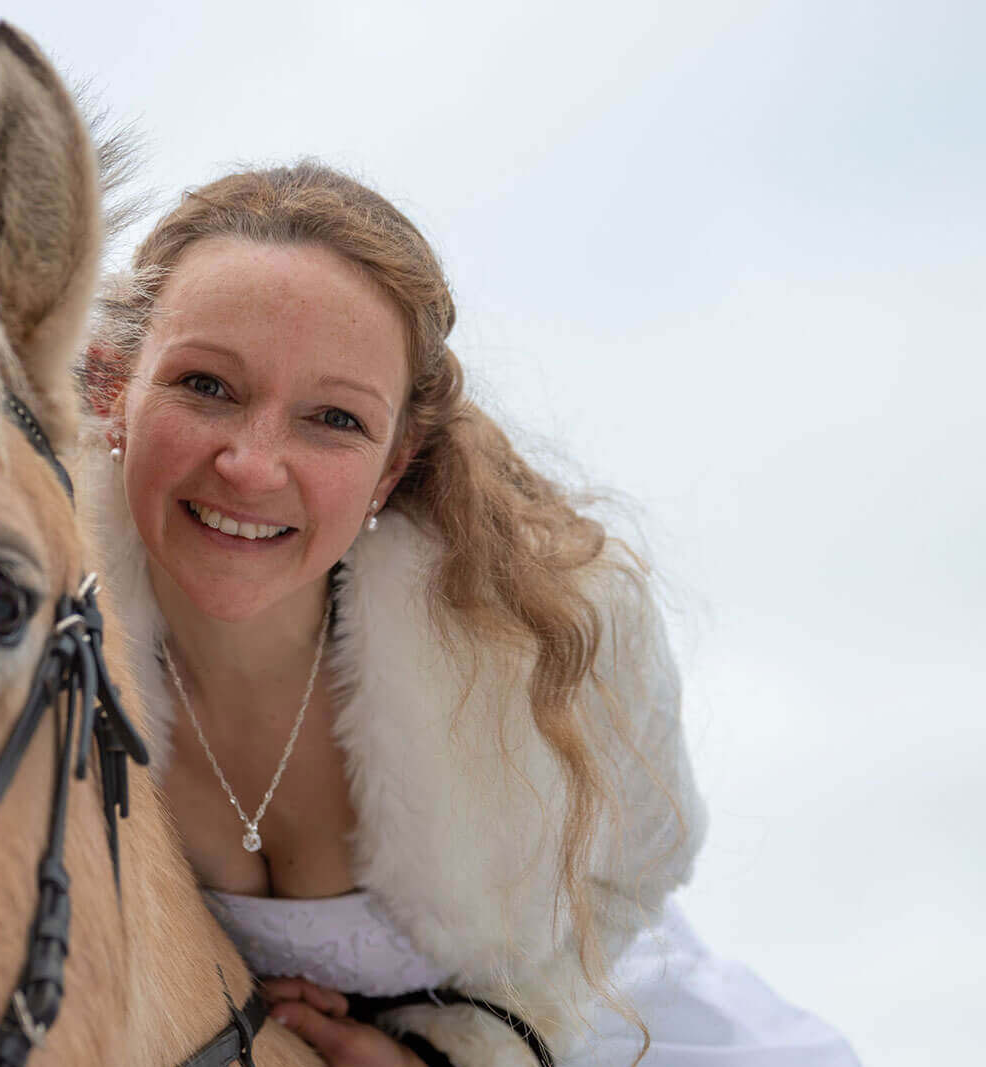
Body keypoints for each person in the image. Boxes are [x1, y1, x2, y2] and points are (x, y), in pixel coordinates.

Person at [77, 162, 860, 1066]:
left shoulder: (544, 629)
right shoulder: (14, 613)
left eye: (333, 417)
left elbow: (630, 883)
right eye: (207, 386)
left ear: (395, 463)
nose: (252, 466)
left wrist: (454, 1053)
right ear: (110, 388)